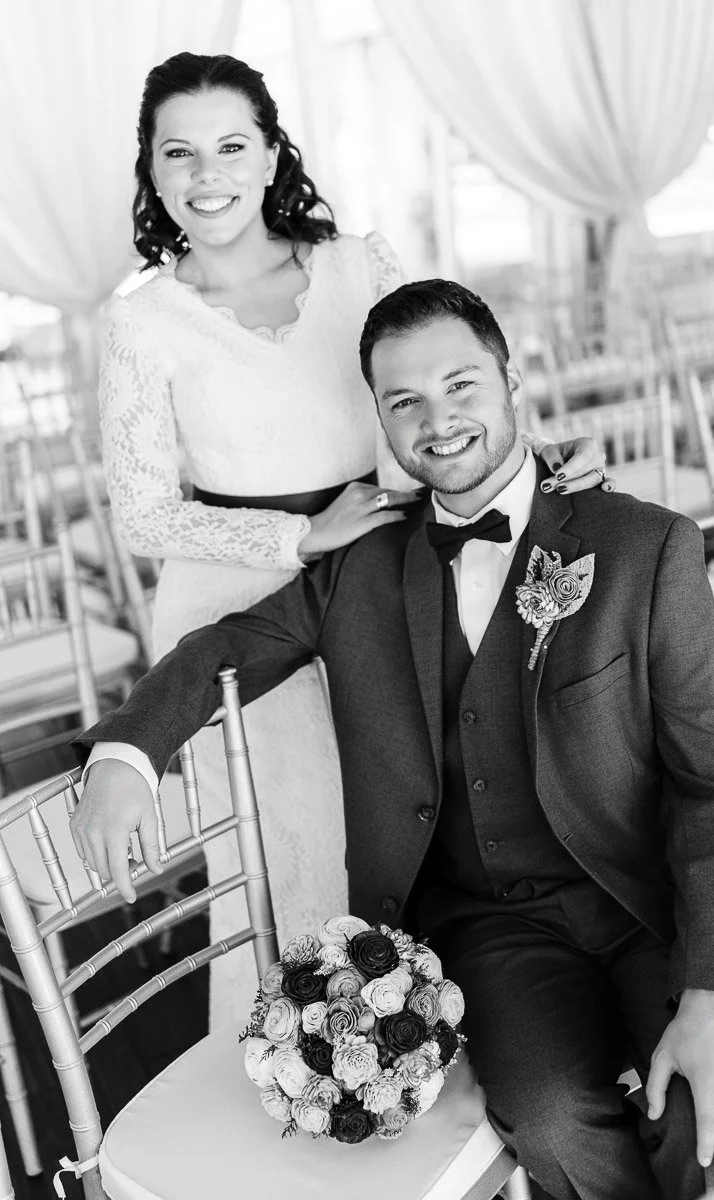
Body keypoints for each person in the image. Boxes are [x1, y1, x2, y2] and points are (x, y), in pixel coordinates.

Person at [76, 278, 714, 1198]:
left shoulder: (647, 547)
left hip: (648, 898)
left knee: (702, 1110)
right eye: (404, 401)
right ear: (380, 417)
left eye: (460, 386)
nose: (436, 422)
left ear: (511, 379)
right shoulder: (363, 567)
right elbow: (226, 646)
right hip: (489, 929)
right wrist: (128, 749)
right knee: (551, 1115)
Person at [100, 51, 609, 1030]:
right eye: (180, 153)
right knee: (295, 834)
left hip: (379, 565)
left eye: (229, 145)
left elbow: (434, 379)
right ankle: (303, 1057)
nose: (208, 174)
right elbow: (142, 513)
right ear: (154, 172)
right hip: (237, 593)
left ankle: (426, 1031)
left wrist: (534, 461)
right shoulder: (141, 322)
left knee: (405, 802)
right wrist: (301, 534)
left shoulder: (352, 265)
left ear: (266, 152)